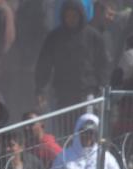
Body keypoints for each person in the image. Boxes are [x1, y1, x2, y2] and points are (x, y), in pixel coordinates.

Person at [34, 0, 109, 133]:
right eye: (68, 16)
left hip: (87, 94)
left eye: (74, 16)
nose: (71, 19)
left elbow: (103, 64)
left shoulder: (93, 36)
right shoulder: (55, 37)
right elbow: (44, 64)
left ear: (81, 15)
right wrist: (40, 88)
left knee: (86, 130)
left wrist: (100, 86)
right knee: (65, 132)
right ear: (63, 16)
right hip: (63, 95)